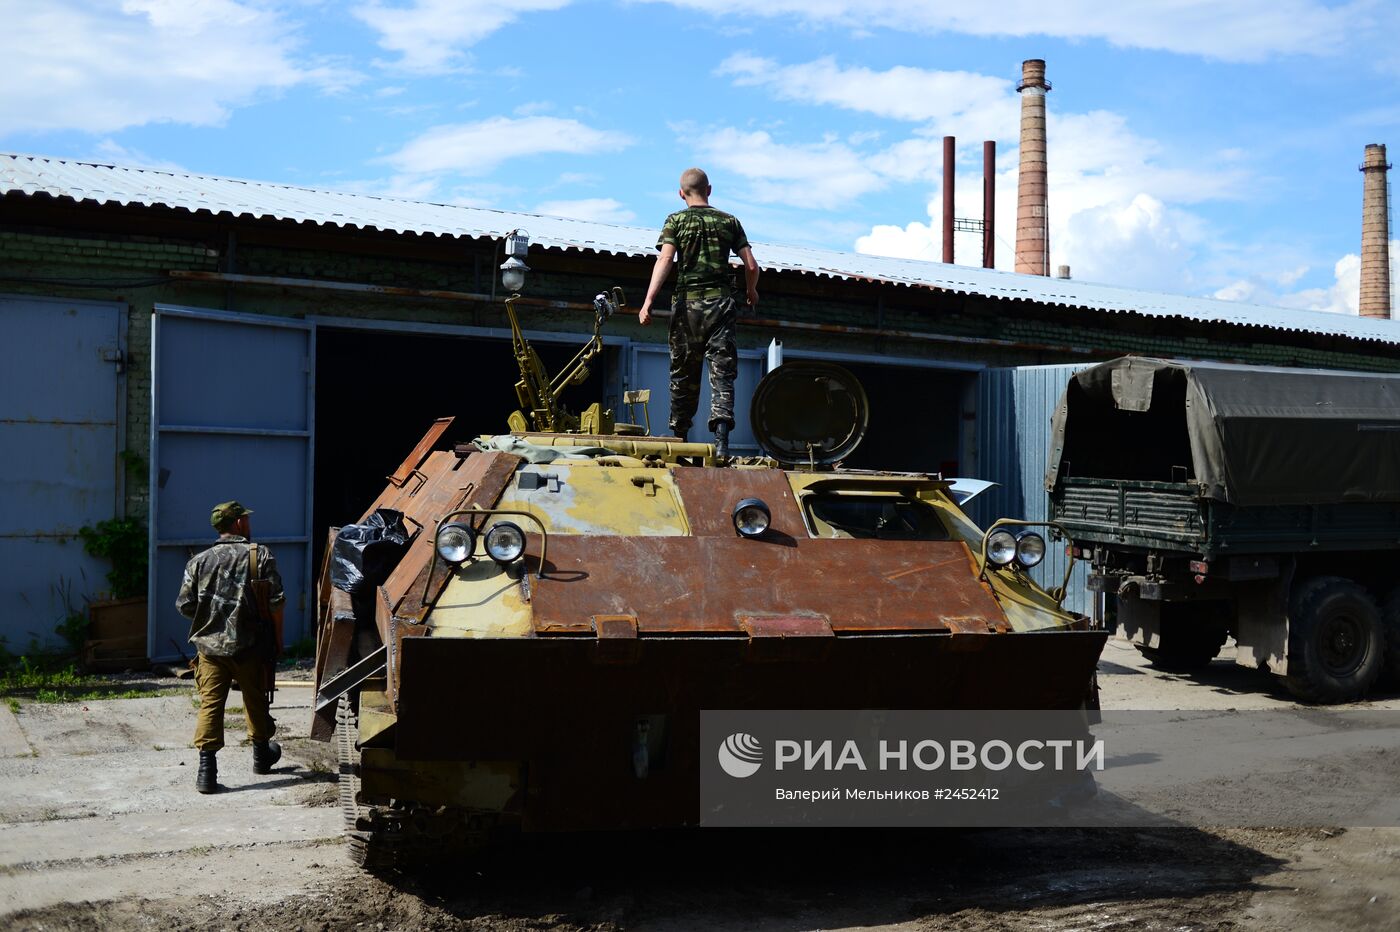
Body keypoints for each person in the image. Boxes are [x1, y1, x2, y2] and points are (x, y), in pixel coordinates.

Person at [638, 167, 760, 458]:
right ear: (710, 190)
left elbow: (666, 259)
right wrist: (751, 290)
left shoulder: (675, 220)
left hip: (686, 307)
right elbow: (752, 265)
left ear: (681, 193)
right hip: (721, 304)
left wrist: (648, 301)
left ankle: (680, 440)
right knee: (722, 373)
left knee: (683, 372)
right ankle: (721, 443)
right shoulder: (730, 221)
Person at [176, 500, 284, 794]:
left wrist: (211, 615)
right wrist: (278, 639)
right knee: (256, 697)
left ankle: (206, 773)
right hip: (250, 645)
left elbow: (185, 606)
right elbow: (276, 602)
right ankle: (262, 756)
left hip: (210, 650)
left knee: (210, 705)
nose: (249, 524)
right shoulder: (259, 555)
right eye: (245, 520)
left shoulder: (198, 562)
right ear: (237, 524)